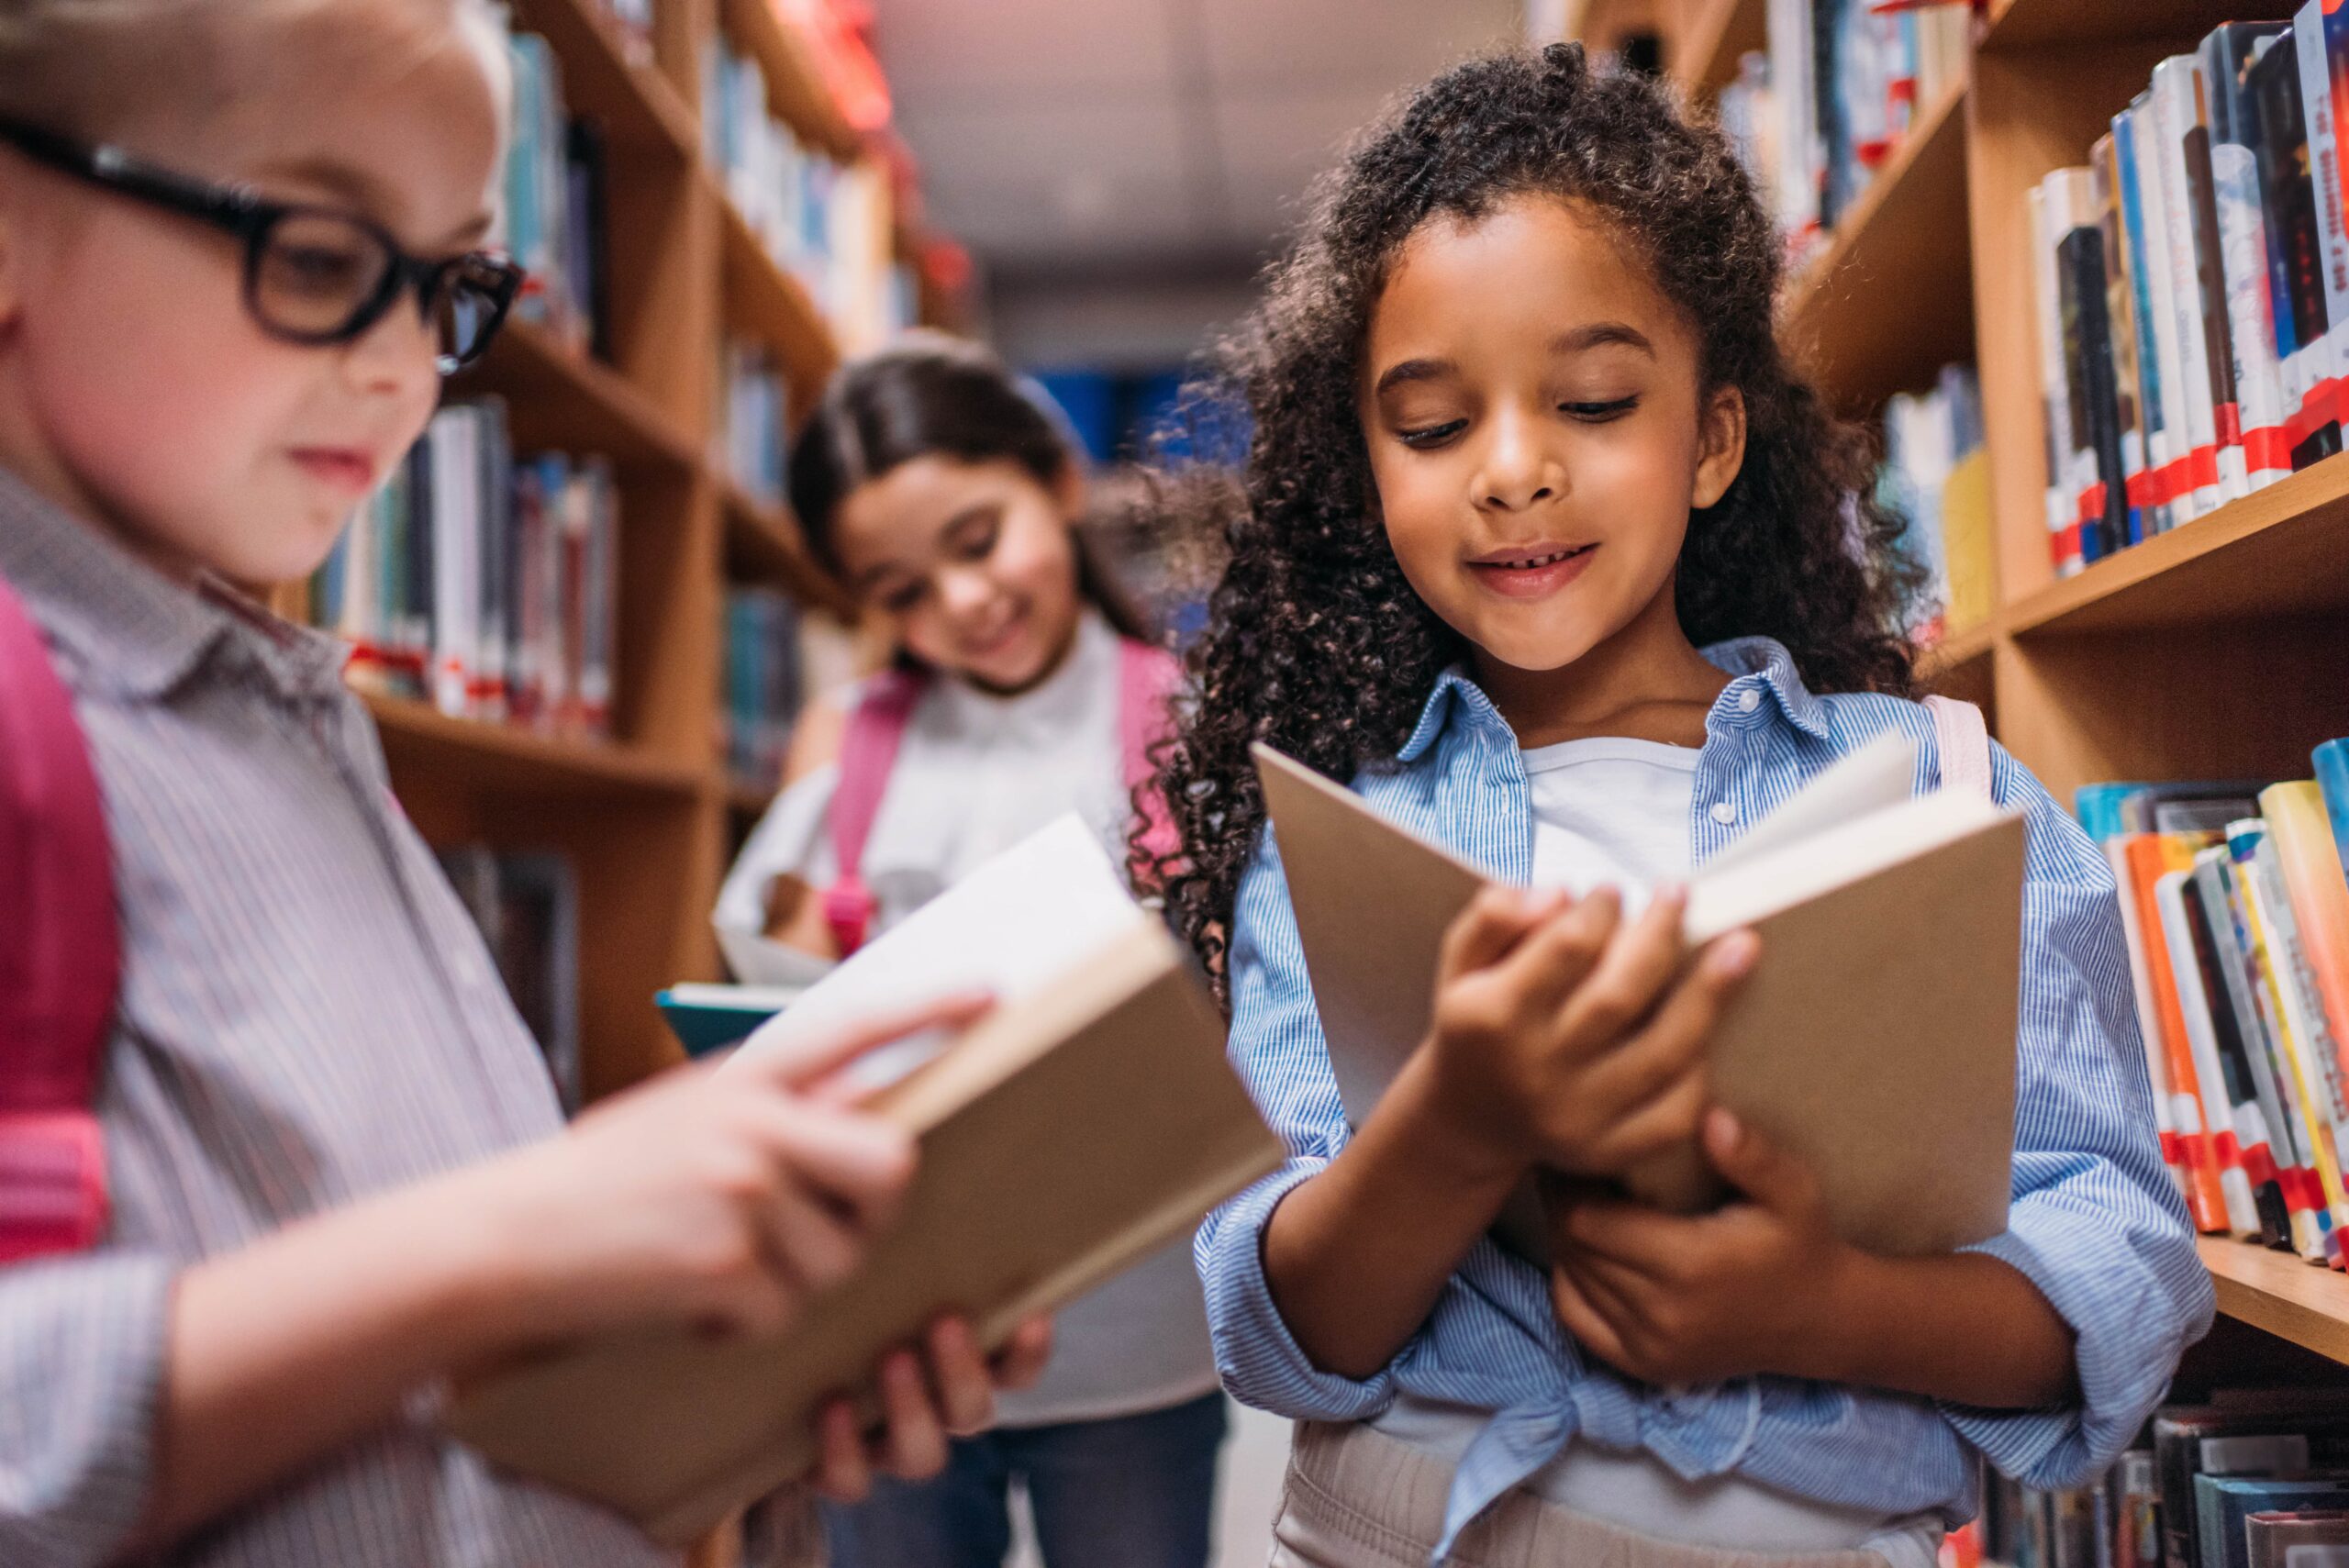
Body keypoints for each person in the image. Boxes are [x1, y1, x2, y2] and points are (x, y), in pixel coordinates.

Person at [0, 5, 1046, 1564]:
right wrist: (527, 1237)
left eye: (451, 288)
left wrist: (714, 1360)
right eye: (316, 256)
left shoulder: (286, 709)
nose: (402, 377)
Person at [1148, 43, 2214, 1568]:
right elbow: (1282, 1326)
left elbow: (2113, 1276)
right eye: (1435, 427)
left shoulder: (1937, 789)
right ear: (1366, 466)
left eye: (1588, 401)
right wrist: (1459, 1122)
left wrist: (1823, 1303)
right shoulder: (1342, 839)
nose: (1512, 473)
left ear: (1711, 439)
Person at [717, 337, 1228, 1568]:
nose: (958, 604)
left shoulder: (1194, 726)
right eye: (899, 590)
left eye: (978, 540)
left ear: (1055, 481)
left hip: (1132, 1341)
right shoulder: (851, 755)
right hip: (894, 1341)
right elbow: (774, 1004)